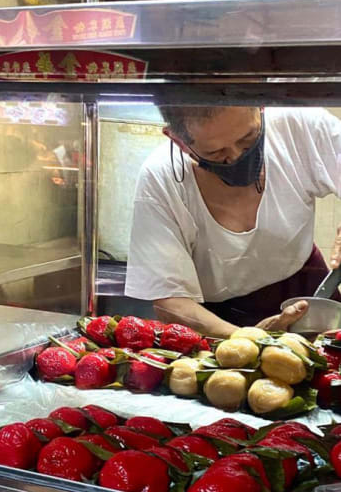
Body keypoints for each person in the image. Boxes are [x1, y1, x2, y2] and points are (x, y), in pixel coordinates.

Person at [125, 105, 341, 337]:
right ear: (178, 141)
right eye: (216, 153)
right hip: (215, 319)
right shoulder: (160, 178)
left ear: (261, 107)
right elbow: (170, 301)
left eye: (248, 139)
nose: (238, 156)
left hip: (306, 287)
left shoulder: (301, 126)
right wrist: (248, 341)